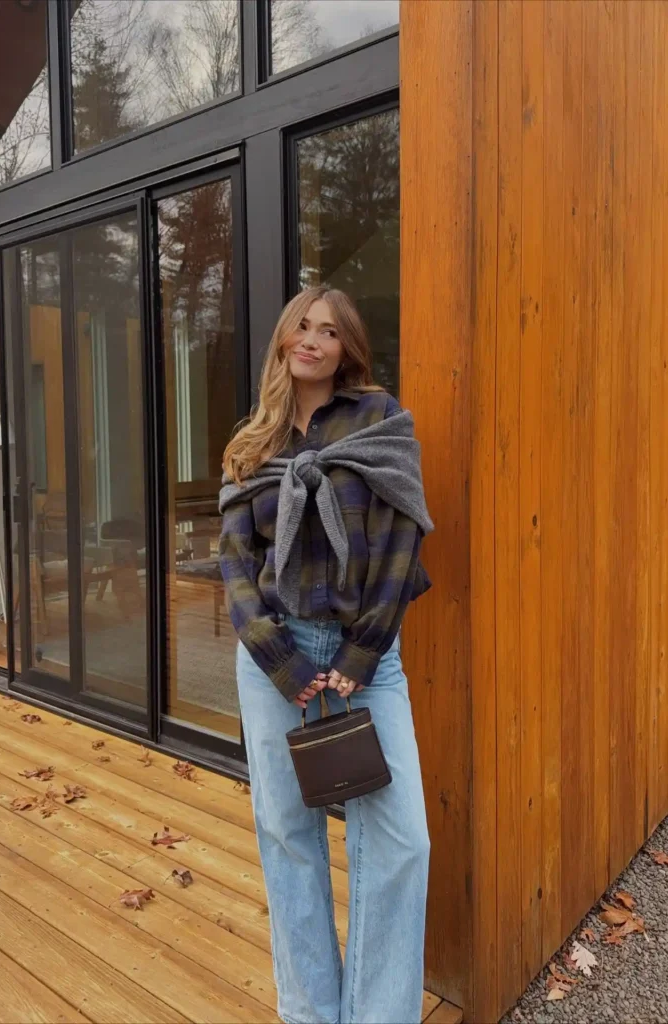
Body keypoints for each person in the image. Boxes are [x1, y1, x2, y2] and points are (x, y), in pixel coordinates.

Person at [218, 286, 433, 1024]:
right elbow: (236, 566)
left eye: (330, 332)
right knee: (288, 835)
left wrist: (362, 651)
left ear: (348, 349)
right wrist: (281, 660)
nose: (312, 340)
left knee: (402, 839)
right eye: (302, 327)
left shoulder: (380, 419)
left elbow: (403, 542)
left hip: (366, 656)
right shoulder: (254, 441)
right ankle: (309, 1013)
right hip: (275, 660)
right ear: (284, 339)